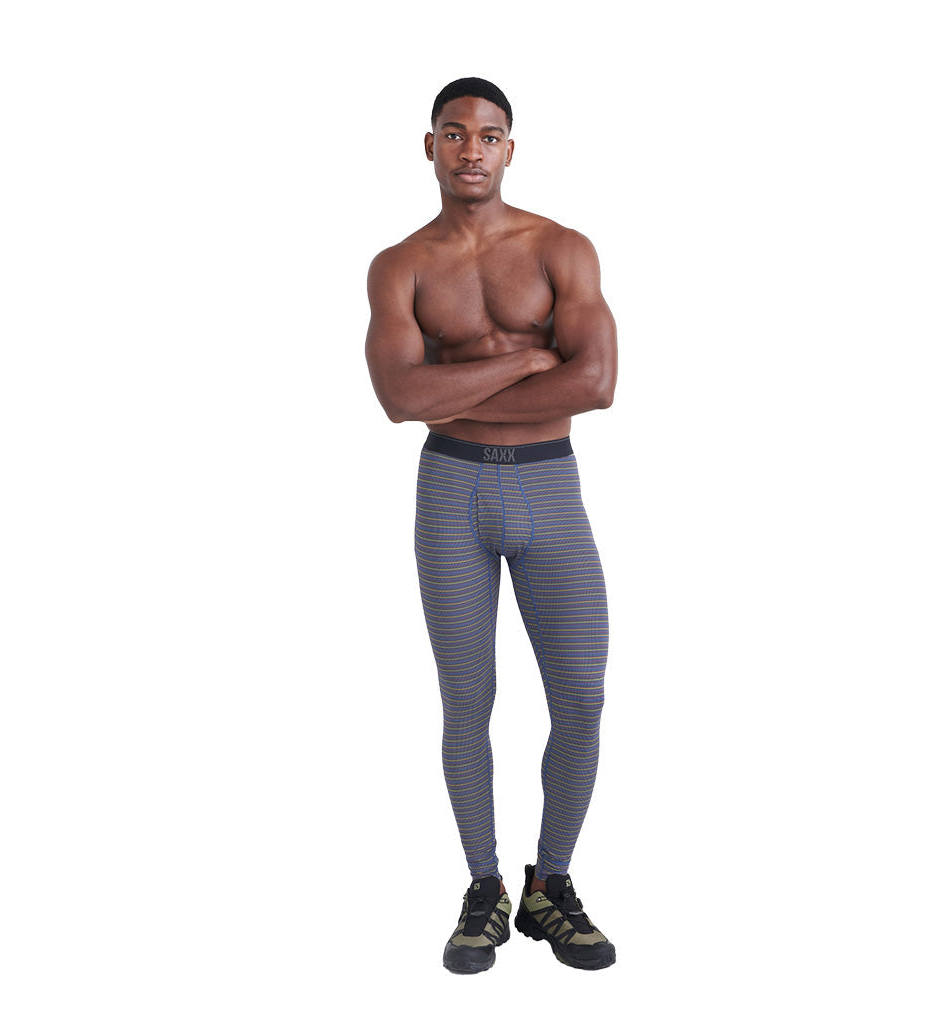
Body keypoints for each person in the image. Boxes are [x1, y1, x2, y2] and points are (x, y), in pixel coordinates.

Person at [365, 77, 618, 974]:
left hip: (551, 489)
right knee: (467, 700)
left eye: (488, 134)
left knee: (581, 699)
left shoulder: (562, 248)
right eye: (454, 133)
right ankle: (484, 889)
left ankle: (551, 884)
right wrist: (526, 364)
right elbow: (399, 398)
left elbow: (596, 384)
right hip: (450, 493)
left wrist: (452, 391)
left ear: (511, 148)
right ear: (429, 145)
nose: (471, 148)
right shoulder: (399, 266)